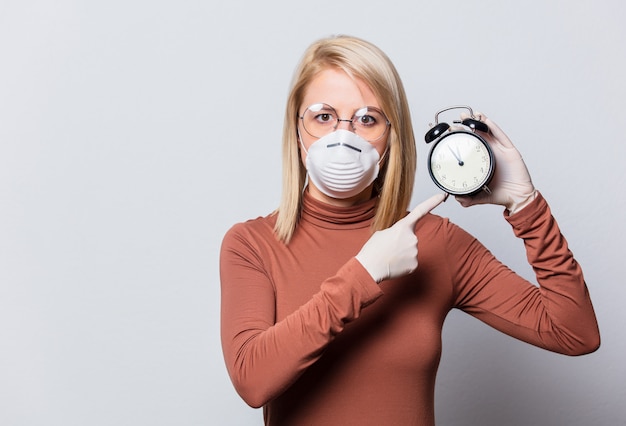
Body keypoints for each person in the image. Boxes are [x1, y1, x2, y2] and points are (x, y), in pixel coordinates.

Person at [219, 35, 600, 425]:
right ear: (297, 131)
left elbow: (575, 332)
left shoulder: (435, 243)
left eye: (367, 119)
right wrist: (363, 274)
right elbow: (252, 380)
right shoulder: (252, 244)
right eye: (323, 116)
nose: (344, 135)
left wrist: (526, 205)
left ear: (391, 137)